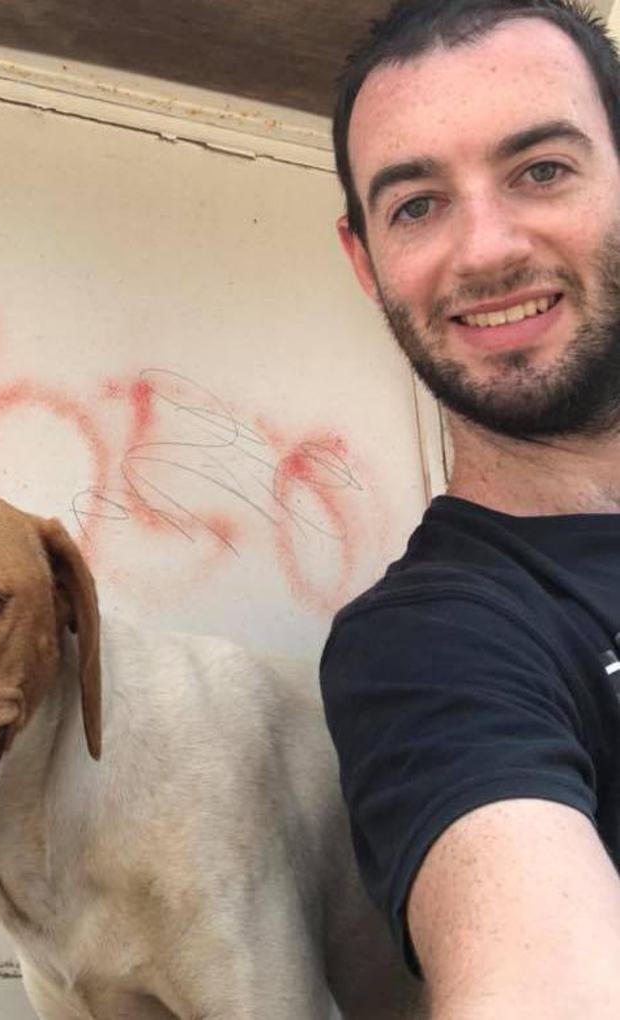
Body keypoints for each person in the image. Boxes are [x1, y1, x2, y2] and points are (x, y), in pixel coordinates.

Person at [320, 1, 620, 1015]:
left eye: (541, 170)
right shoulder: (428, 650)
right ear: (364, 262)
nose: (485, 250)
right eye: (416, 206)